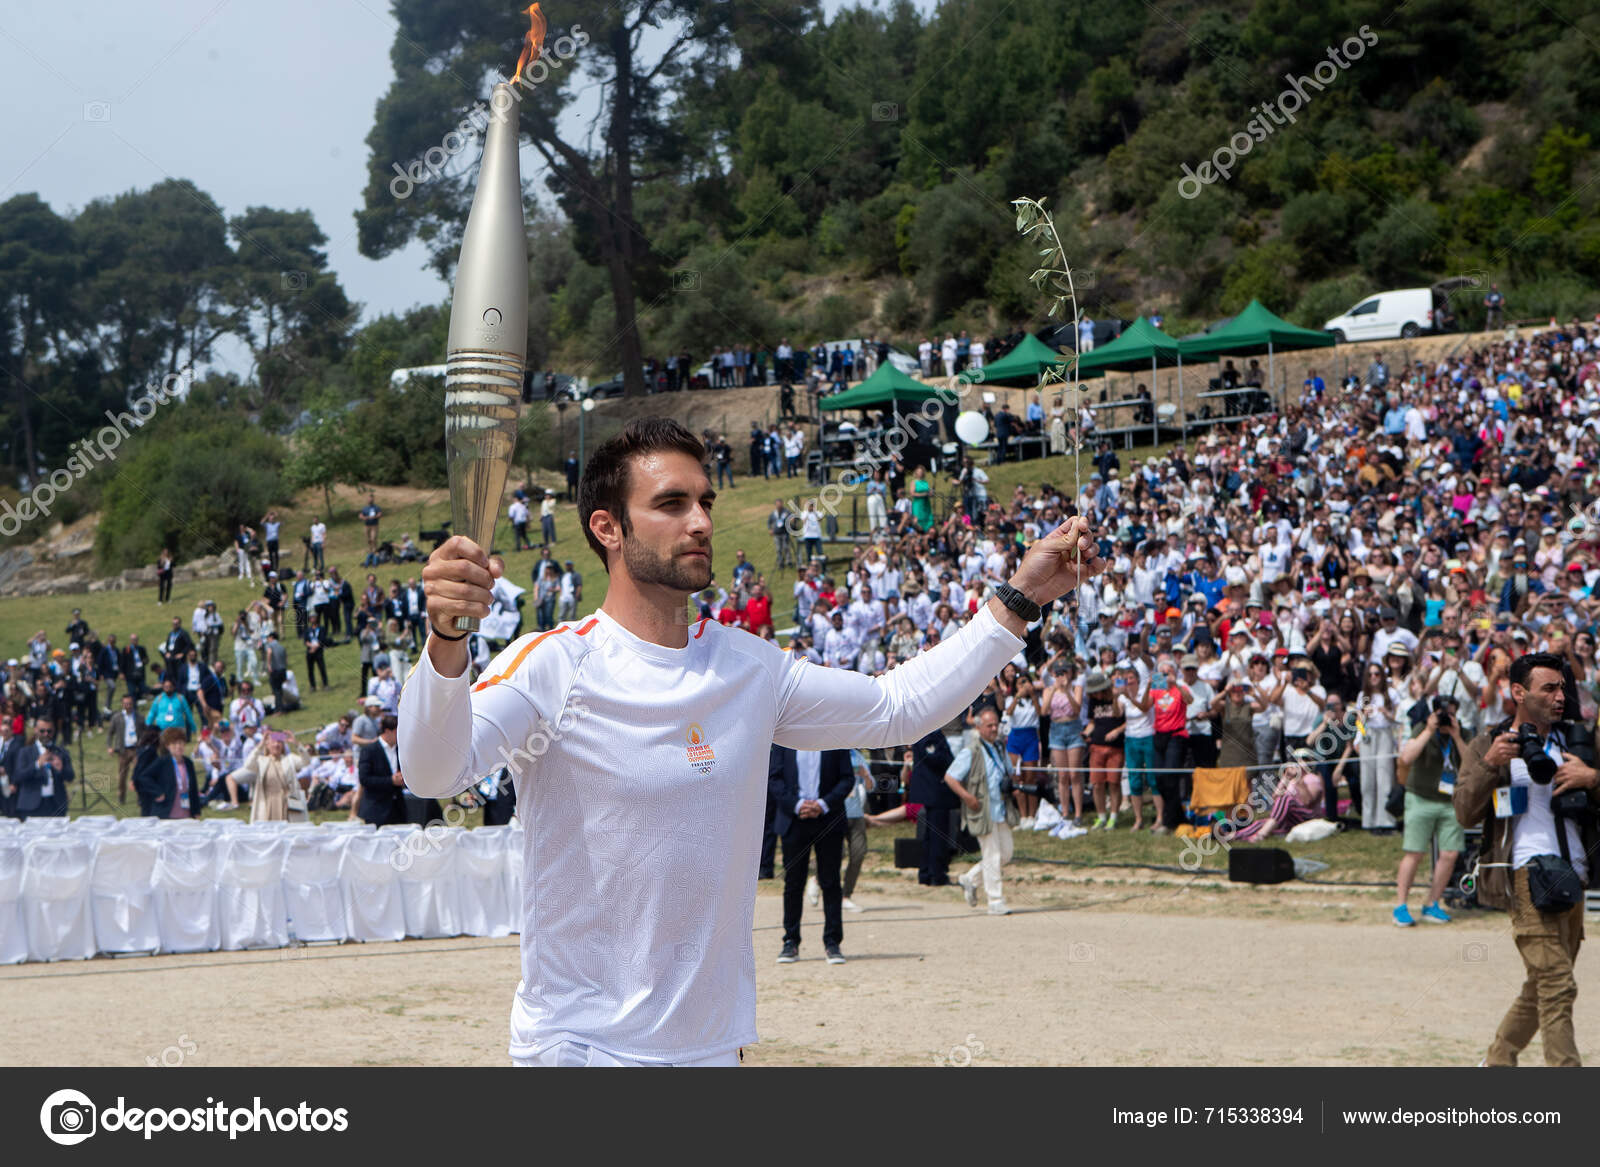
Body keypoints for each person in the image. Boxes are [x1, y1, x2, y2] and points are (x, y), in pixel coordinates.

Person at [398, 416, 1106, 1067]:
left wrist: (1020, 597)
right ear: (608, 527)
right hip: (581, 1048)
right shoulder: (552, 663)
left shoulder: (749, 666)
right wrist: (447, 638)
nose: (701, 520)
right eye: (672, 504)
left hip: (713, 1050)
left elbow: (897, 707)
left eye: (704, 500)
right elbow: (433, 771)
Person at [1457, 653, 1597, 1066]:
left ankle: (1497, 1062)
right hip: (1525, 874)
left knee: (1542, 986)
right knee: (1557, 984)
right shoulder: (1489, 743)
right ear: (1519, 692)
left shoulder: (1580, 739)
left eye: (1562, 688)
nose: (1560, 696)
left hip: (1575, 873)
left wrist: (1593, 778)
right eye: (1548, 688)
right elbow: (1465, 812)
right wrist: (1489, 766)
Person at [769, 744, 853, 964]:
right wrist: (797, 805)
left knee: (831, 882)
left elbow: (847, 779)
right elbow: (774, 779)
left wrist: (823, 804)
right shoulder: (784, 739)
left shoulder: (835, 738)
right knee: (793, 883)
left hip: (828, 818)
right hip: (793, 819)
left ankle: (832, 943)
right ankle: (790, 942)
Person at [1392, 697, 1466, 927]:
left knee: (1450, 853)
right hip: (1420, 797)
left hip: (1450, 801)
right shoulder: (1421, 728)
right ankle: (1401, 906)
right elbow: (1406, 757)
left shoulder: (1463, 732)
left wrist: (1456, 735)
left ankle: (1432, 903)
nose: (1447, 718)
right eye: (1443, 714)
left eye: (1451, 714)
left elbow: (1471, 764)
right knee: (1414, 852)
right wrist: (1428, 730)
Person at [950, 707, 1020, 915]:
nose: (993, 729)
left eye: (996, 725)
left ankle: (970, 879)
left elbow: (1009, 771)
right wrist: (967, 797)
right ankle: (995, 900)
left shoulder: (999, 747)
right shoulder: (970, 751)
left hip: (1001, 808)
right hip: (982, 809)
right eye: (989, 725)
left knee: (1005, 853)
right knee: (992, 855)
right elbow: (951, 777)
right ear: (979, 727)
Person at [235, 730, 311, 823]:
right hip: (267, 802)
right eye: (273, 742)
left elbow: (306, 761)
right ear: (268, 745)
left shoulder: (290, 759)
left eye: (279, 742)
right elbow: (248, 764)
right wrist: (261, 745)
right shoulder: (261, 761)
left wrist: (296, 744)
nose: (276, 745)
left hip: (287, 803)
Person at [135, 727, 203, 819]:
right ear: (167, 746)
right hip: (166, 813)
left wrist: (196, 811)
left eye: (180, 743)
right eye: (174, 744)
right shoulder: (162, 762)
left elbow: (194, 789)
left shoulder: (188, 763)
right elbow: (143, 777)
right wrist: (157, 792)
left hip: (185, 814)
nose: (178, 746)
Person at [13, 717, 73, 819]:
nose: (46, 734)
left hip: (55, 804)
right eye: (42, 731)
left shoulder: (61, 751)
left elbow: (70, 776)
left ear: (53, 731)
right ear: (36, 730)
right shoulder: (25, 752)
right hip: (31, 805)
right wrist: (37, 764)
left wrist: (60, 768)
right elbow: (18, 776)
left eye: (49, 731)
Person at [358, 714, 408, 826]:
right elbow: (364, 779)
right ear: (387, 731)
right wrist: (390, 780)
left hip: (398, 808)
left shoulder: (401, 750)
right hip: (376, 809)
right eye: (397, 732)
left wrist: (404, 779)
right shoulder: (369, 751)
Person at [105, 693, 141, 804]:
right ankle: (121, 798)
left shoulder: (139, 717)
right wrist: (109, 747)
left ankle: (140, 797)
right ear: (122, 704)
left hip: (136, 749)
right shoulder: (117, 717)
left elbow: (144, 732)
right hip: (123, 750)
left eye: (130, 704)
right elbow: (110, 733)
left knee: (139, 774)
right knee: (122, 776)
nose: (128, 706)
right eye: (125, 704)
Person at [361, 492, 383, 557]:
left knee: (373, 538)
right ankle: (370, 551)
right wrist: (363, 517)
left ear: (373, 500)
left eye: (371, 499)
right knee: (368, 539)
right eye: (369, 498)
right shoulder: (365, 508)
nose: (370, 500)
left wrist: (374, 517)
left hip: (374, 526)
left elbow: (380, 514)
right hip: (367, 526)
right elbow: (361, 515)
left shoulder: (376, 507)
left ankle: (375, 551)